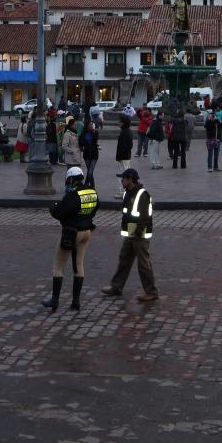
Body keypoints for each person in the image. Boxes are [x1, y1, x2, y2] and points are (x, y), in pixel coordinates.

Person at [43, 166, 99, 311]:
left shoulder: (73, 195)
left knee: (58, 265)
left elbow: (60, 212)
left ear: (71, 179)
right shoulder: (92, 192)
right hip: (87, 231)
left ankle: (55, 300)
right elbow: (94, 209)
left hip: (72, 232)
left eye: (68, 180)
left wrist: (53, 207)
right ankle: (76, 301)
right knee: (78, 264)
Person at [101, 168, 158, 303]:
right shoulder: (127, 193)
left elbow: (145, 216)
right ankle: (116, 286)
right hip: (130, 234)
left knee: (143, 264)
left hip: (139, 236)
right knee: (124, 260)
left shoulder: (142, 194)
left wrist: (138, 232)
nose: (121, 181)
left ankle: (151, 292)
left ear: (130, 179)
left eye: (123, 178)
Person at [114, 115, 134, 188]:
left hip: (124, 157)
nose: (119, 123)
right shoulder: (126, 131)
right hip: (124, 156)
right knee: (125, 173)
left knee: (125, 174)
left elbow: (129, 146)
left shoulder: (126, 132)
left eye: (120, 122)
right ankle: (126, 189)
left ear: (124, 123)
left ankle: (125, 189)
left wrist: (121, 154)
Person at [80, 118, 100, 187]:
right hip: (86, 155)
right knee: (89, 172)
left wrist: (93, 131)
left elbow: (96, 139)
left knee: (90, 172)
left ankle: (86, 184)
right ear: (87, 125)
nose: (91, 125)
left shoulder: (95, 132)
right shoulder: (84, 132)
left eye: (92, 124)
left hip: (94, 155)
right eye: (90, 124)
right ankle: (92, 186)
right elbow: (80, 142)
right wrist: (85, 143)